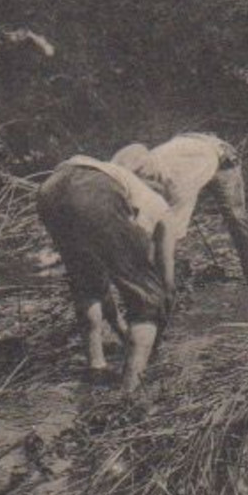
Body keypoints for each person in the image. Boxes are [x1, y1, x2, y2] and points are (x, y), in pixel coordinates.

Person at [36, 154, 173, 391]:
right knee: (148, 299)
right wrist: (163, 299)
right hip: (92, 192)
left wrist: (119, 327)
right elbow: (165, 273)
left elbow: (102, 280)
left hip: (50, 190)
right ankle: (129, 393)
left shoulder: (117, 176)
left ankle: (96, 366)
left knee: (86, 283)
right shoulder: (158, 205)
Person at [111, 132, 248, 297]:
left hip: (221, 158)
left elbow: (171, 232)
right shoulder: (145, 166)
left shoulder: (176, 183)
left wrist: (164, 272)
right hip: (191, 150)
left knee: (236, 217)